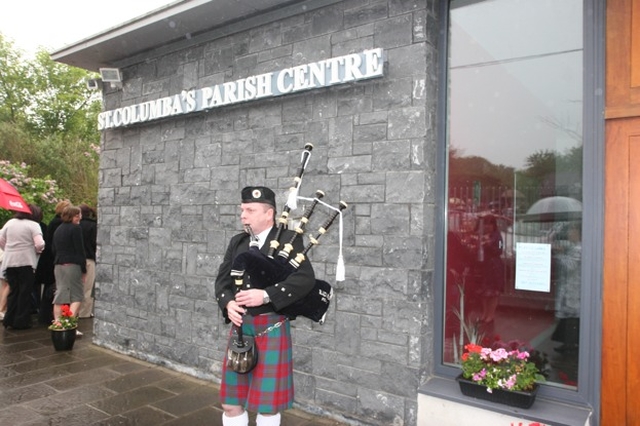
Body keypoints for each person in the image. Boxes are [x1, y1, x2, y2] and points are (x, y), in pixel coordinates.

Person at [214, 186, 316, 426]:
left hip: (271, 327)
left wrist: (266, 295)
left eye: (250, 210)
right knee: (231, 403)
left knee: (267, 407)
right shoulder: (237, 242)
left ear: (269, 214)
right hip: (241, 328)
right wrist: (228, 302)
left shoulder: (289, 241)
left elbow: (304, 280)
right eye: (242, 209)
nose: (243, 215)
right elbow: (222, 281)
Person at [0, 205, 46, 329]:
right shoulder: (33, 225)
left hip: (10, 262)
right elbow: (40, 244)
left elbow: (1, 239)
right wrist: (37, 250)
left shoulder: (10, 223)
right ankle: (21, 321)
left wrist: (8, 249)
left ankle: (9, 319)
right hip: (26, 262)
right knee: (24, 292)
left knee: (13, 291)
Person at [51, 205, 86, 335]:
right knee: (77, 296)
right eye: (79, 214)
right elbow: (80, 250)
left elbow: (54, 249)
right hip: (72, 265)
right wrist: (83, 269)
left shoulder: (58, 229)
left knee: (60, 294)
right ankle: (70, 325)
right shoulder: (76, 229)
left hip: (58, 265)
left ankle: (58, 323)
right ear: (75, 215)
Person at [37, 199, 71, 325]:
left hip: (49, 259)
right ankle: (48, 316)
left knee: (50, 288)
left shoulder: (53, 222)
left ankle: (45, 315)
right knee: (53, 289)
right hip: (54, 260)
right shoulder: (59, 224)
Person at [551, 221, 582, 354]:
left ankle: (571, 344)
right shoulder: (574, 247)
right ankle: (568, 343)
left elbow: (569, 266)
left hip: (574, 290)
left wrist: (558, 255)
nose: (569, 234)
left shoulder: (579, 249)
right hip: (571, 289)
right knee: (569, 319)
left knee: (571, 320)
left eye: (571, 231)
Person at [473, 214, 505, 325]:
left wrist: (489, 245)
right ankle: (485, 313)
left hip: (494, 266)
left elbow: (500, 250)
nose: (487, 226)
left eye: (489, 224)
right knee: (484, 293)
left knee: (493, 293)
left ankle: (490, 315)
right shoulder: (481, 235)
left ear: (493, 225)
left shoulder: (497, 236)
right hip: (484, 267)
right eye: (486, 224)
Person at [77, 204, 97, 318]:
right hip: (89, 258)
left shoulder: (75, 225)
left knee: (76, 287)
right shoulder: (93, 225)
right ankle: (84, 313)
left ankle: (73, 311)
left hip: (75, 260)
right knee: (87, 288)